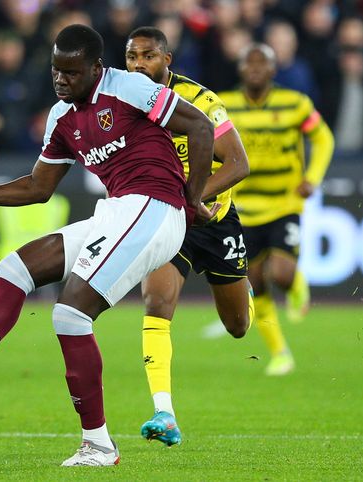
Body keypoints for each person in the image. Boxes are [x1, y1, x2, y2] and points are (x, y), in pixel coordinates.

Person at [0, 24, 216, 467]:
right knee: (12, 269)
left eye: (72, 72)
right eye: (56, 70)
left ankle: (97, 444)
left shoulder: (130, 88)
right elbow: (38, 187)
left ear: (97, 68)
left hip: (155, 208)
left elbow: (200, 125)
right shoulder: (62, 118)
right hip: (119, 211)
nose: (61, 79)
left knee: (70, 313)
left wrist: (192, 199)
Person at [124, 26, 252, 447]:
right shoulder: (125, 102)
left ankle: (243, 292)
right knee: (156, 303)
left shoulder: (200, 101)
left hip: (214, 219)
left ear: (167, 60)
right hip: (169, 220)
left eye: (148, 56)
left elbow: (237, 164)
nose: (139, 64)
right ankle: (165, 412)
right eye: (131, 57)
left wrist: (195, 196)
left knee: (238, 327)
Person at [217, 43, 334, 376]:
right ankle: (280, 352)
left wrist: (312, 177)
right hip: (243, 209)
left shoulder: (295, 103)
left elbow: (324, 138)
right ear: (240, 69)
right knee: (255, 282)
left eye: (262, 64)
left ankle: (296, 284)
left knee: (280, 273)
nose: (255, 69)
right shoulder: (225, 105)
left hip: (284, 203)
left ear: (273, 70)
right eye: (248, 63)